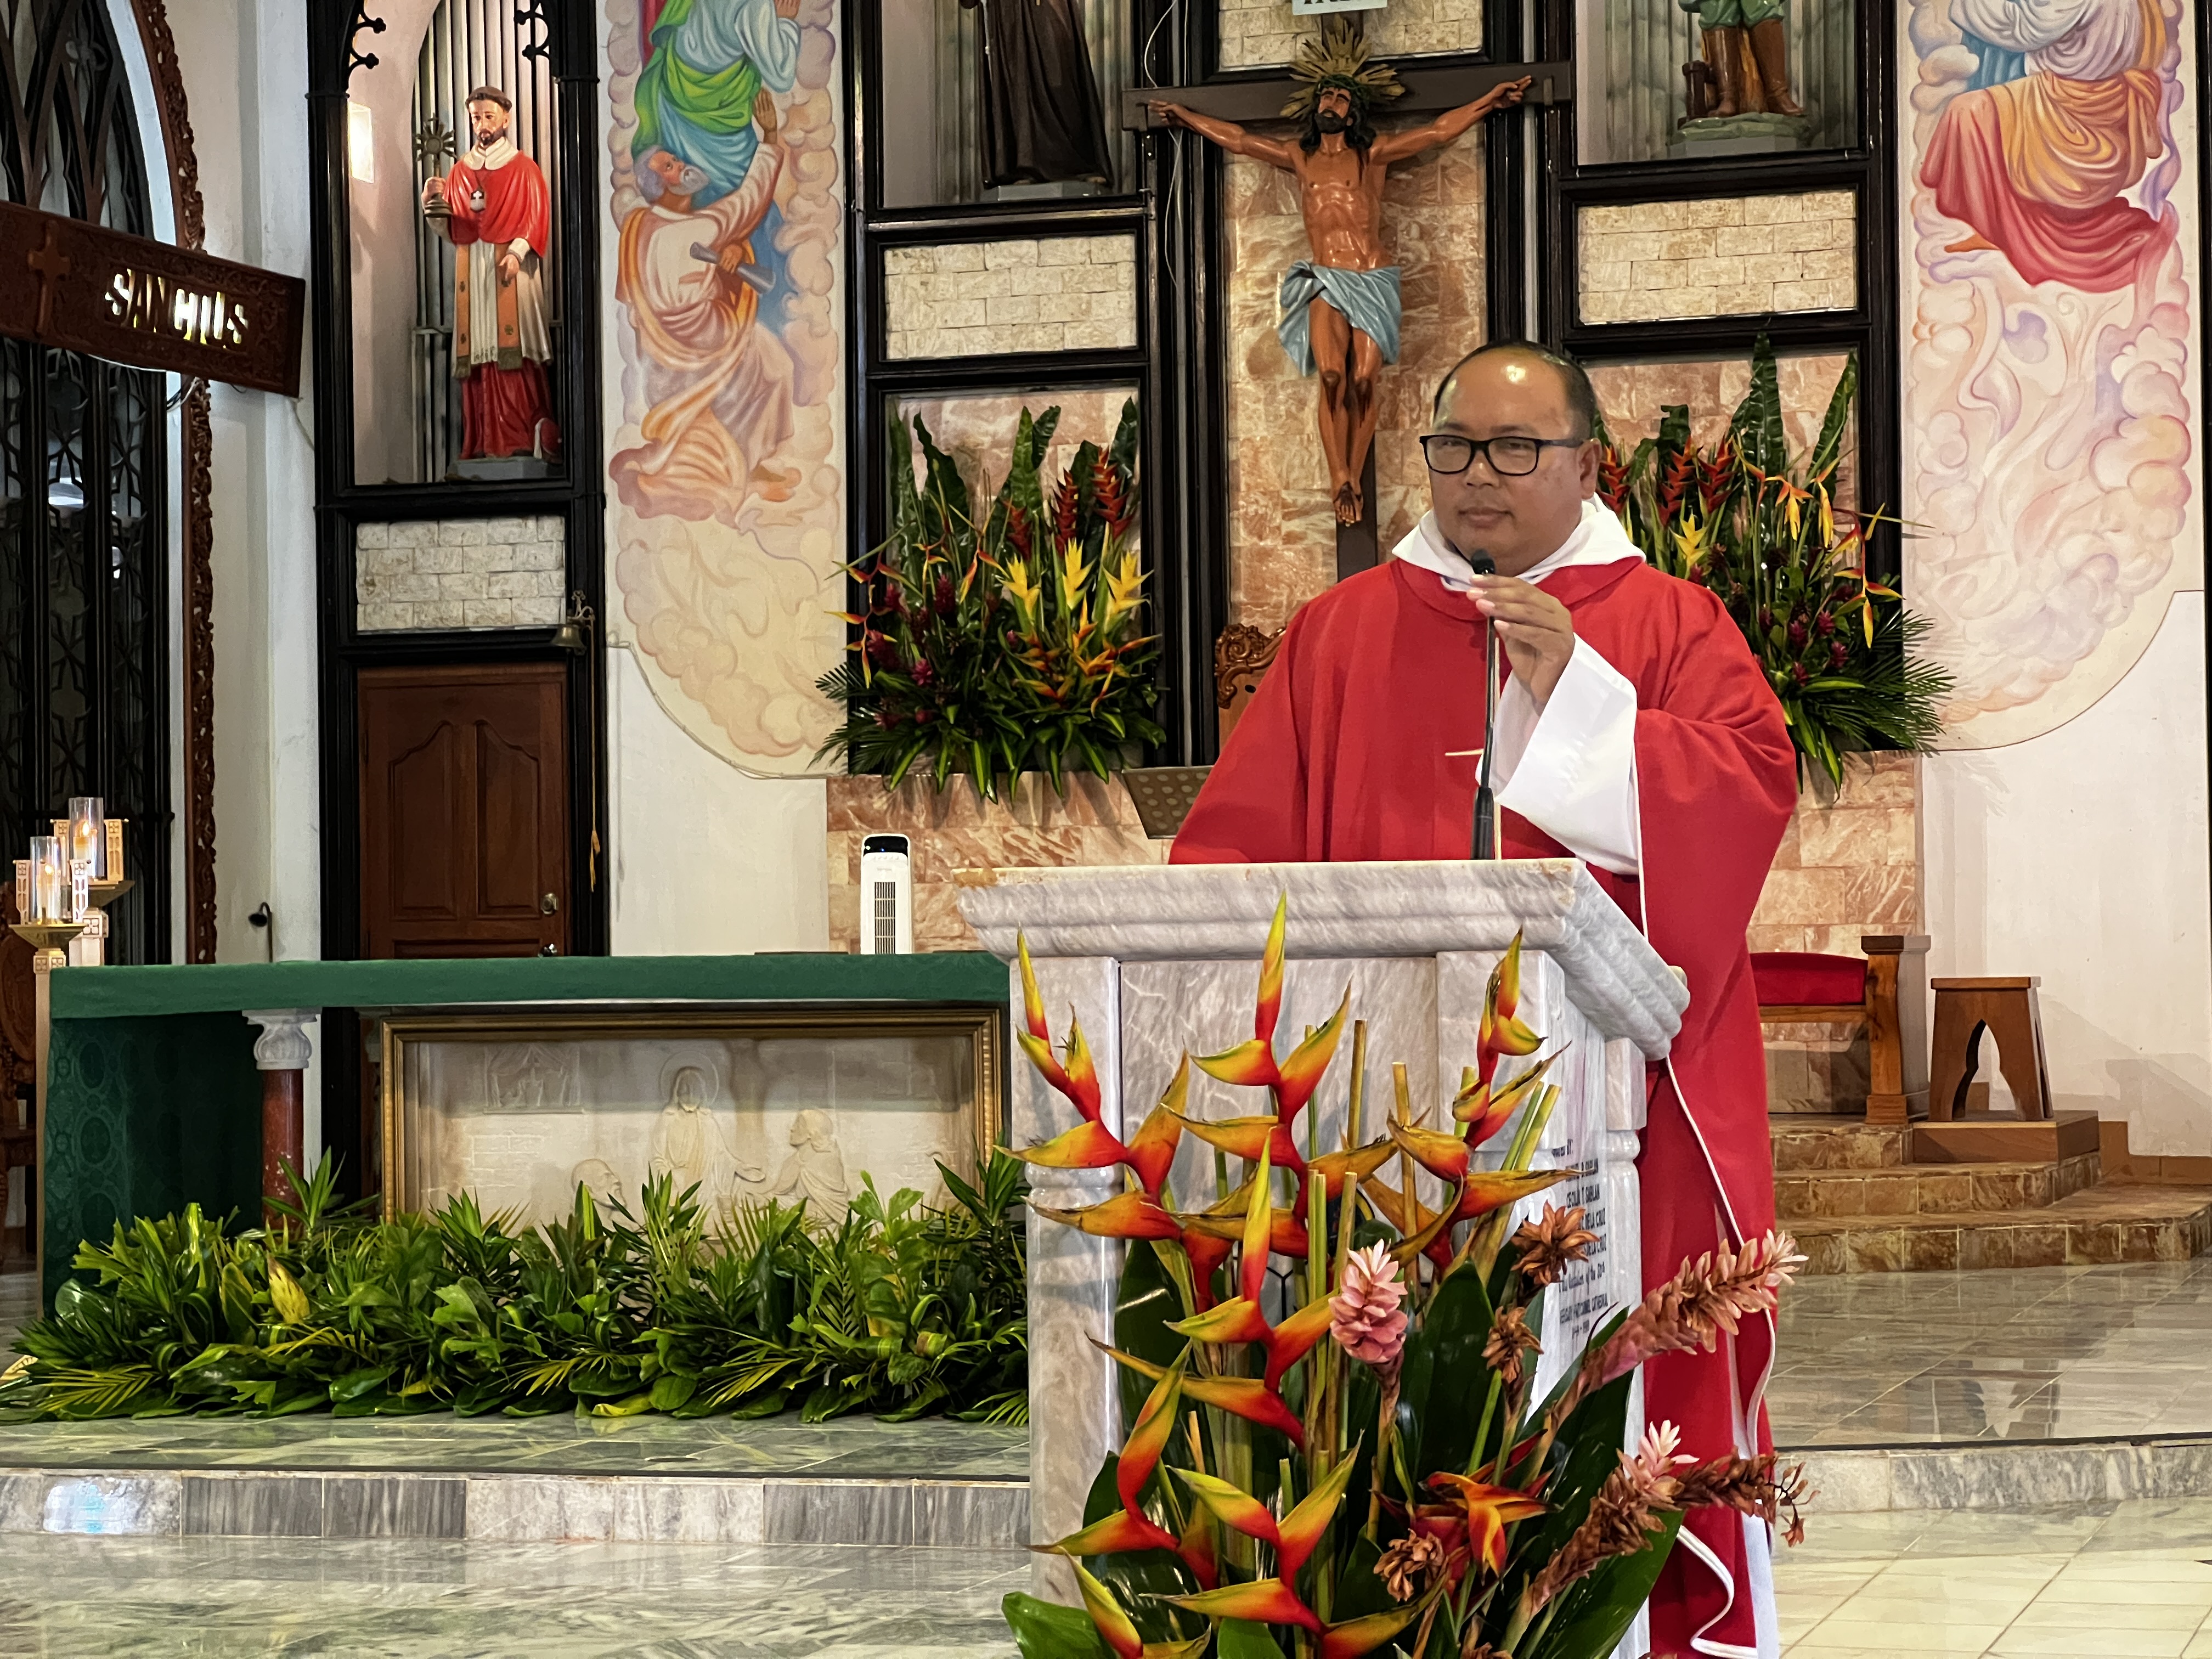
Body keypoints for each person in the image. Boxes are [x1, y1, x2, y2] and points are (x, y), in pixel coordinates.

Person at [1174, 342, 1797, 1658]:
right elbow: (1228, 862)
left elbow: (1748, 794)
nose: (1478, 475)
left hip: (1611, 1116)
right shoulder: (1342, 633)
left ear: (1587, 465)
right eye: (1455, 446)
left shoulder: (1669, 622)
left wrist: (1585, 702)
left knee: (1612, 1394)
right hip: (1381, 1122)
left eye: (1517, 449)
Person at [1150, 23, 1527, 527]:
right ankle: (1340, 476)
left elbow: (1438, 131)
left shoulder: (1372, 156)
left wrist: (1489, 101)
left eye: (1341, 98)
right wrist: (1186, 117)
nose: (1330, 102)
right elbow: (1240, 140)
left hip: (1372, 277)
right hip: (1326, 277)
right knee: (1331, 376)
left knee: (1365, 380)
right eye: (1326, 95)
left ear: (1353, 113)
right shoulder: (1300, 157)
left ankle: (1356, 466)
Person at [612, 129, 802, 522]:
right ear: (660, 185)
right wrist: (769, 140)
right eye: (669, 166)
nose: (681, 166)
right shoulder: (684, 228)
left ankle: (749, 463)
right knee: (776, 367)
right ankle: (742, 465)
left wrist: (731, 255)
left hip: (674, 339)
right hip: (700, 335)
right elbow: (747, 203)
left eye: (675, 160)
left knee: (772, 370)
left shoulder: (650, 225)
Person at [1921, 0, 2172, 291]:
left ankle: (2003, 230)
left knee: (1967, 112)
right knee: (1970, 111)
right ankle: (1992, 227)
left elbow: (2024, 28)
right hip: (2078, 93)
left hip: (2075, 104)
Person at [420, 86, 561, 462]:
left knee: (513, 353)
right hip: (473, 272)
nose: (482, 125)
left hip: (511, 271)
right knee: (479, 357)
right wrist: (431, 205)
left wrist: (517, 253)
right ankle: (482, 442)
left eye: (489, 117)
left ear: (506, 119)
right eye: (476, 118)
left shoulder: (524, 168)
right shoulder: (460, 171)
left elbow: (536, 217)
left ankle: (520, 438)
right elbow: (453, 228)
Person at [634, 0, 802, 206]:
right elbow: (782, 75)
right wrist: (785, 22)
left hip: (676, 91)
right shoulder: (752, 4)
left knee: (706, 201)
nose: (678, 164)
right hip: (712, 122)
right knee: (742, 200)